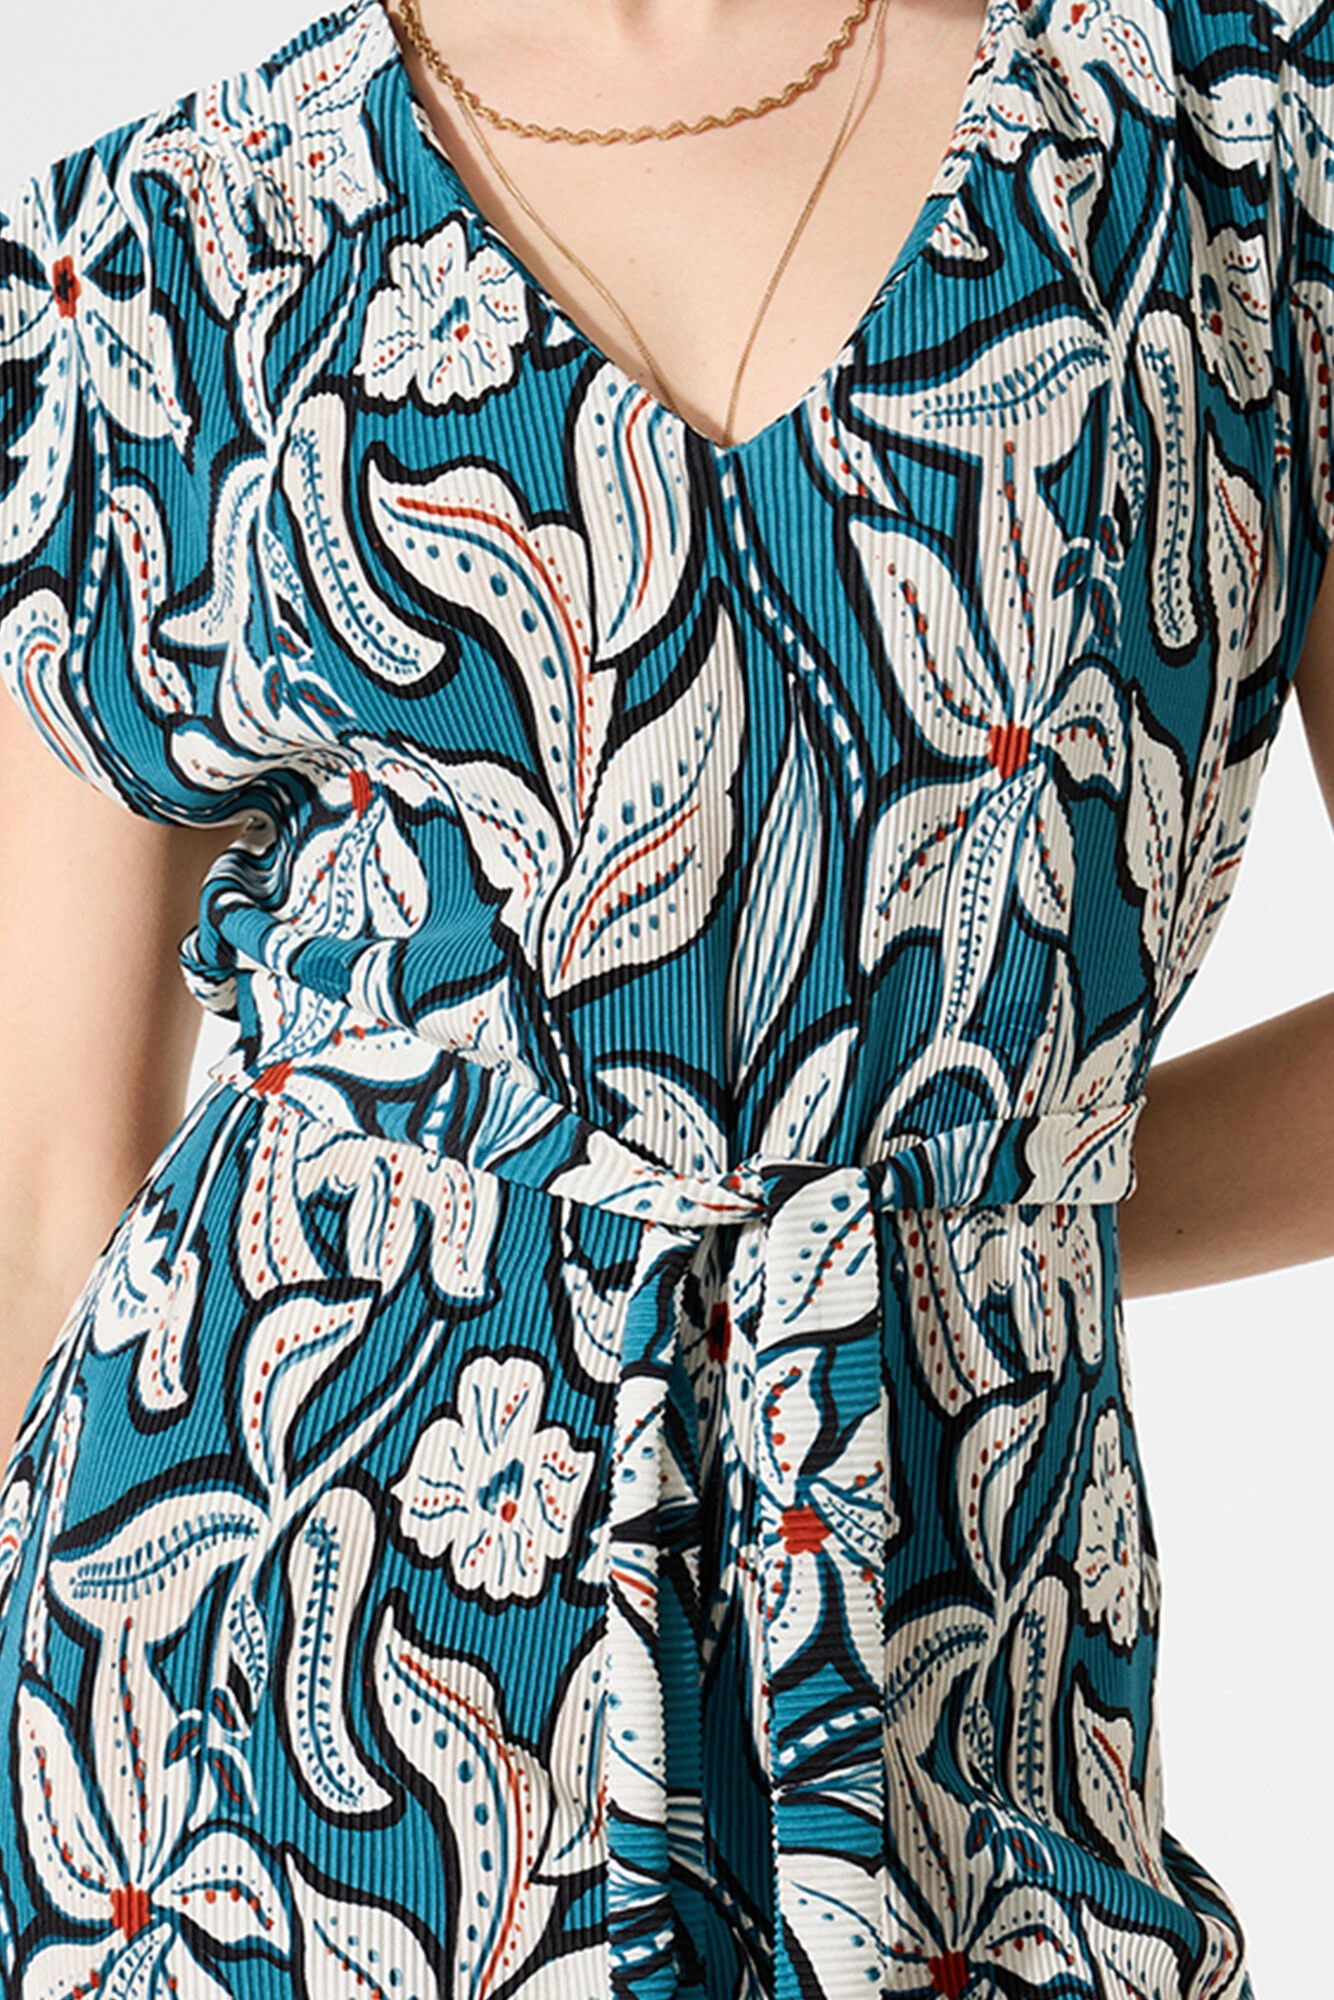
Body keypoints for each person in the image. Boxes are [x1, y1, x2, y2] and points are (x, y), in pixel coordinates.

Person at [0, 0, 1330, 1994]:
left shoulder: (1229, 151)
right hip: (262, 1742)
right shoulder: (161, 253)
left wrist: (947, 1235)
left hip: (946, 1681)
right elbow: (43, 1190)